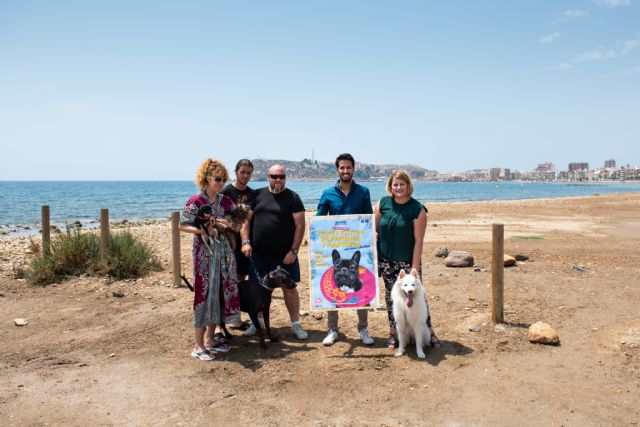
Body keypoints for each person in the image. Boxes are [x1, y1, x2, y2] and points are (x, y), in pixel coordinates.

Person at [180, 158, 241, 361]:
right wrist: (203, 230)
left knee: (221, 293)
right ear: (206, 178)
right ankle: (198, 345)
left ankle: (210, 340)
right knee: (204, 294)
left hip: (224, 253)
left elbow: (238, 224)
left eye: (224, 179)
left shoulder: (225, 201)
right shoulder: (196, 200)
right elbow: (182, 225)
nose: (221, 183)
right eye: (217, 179)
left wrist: (227, 223)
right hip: (204, 254)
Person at [374, 170, 441, 350]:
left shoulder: (417, 209)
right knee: (391, 297)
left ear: (408, 186)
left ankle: (429, 331)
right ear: (390, 186)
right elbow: (374, 230)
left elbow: (419, 240)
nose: (398, 188)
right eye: (395, 184)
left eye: (402, 184)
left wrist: (414, 267)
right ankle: (393, 333)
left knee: (418, 298)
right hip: (386, 261)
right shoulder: (382, 203)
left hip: (407, 262)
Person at [239, 164, 309, 340]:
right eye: (274, 176)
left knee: (290, 289)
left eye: (281, 177)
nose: (278, 180)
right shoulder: (257, 195)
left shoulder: (293, 197)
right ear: (268, 177)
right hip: (259, 256)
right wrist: (245, 242)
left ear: (285, 178)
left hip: (285, 256)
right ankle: (258, 324)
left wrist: (294, 250)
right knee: (256, 291)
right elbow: (245, 221)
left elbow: (300, 225)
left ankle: (296, 325)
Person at [317, 153, 374, 346]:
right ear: (337, 169)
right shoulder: (327, 193)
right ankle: (332, 330)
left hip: (358, 245)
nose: (345, 171)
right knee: (332, 287)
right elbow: (319, 220)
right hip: (336, 248)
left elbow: (368, 218)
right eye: (342, 168)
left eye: (348, 167)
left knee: (361, 285)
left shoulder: (363, 191)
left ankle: (363, 329)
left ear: (353, 169)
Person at [220, 159, 255, 332]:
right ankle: (221, 322)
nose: (245, 176)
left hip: (245, 245)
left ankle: (236, 319)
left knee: (240, 281)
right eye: (243, 172)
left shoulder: (252, 193)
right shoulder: (226, 191)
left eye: (249, 173)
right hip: (228, 244)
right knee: (226, 281)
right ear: (236, 171)